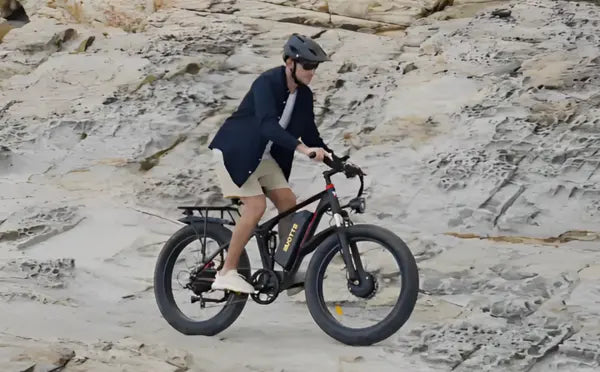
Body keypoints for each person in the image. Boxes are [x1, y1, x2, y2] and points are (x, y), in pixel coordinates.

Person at [207, 33, 336, 293]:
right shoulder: (266, 83)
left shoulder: (303, 96)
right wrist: (302, 149)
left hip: (263, 159)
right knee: (256, 206)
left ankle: (284, 270)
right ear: (290, 63)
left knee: (288, 204)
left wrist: (339, 160)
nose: (312, 72)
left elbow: (311, 135)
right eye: (308, 66)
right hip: (236, 153)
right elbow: (267, 125)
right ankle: (226, 271)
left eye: (315, 67)